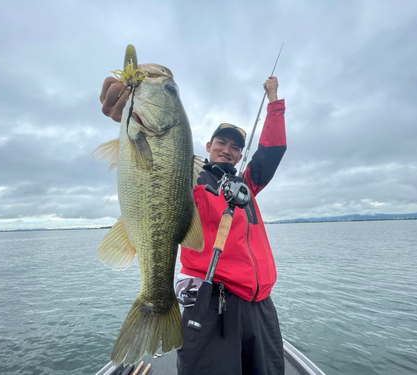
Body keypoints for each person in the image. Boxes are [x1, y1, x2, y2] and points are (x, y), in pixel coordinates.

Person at [100, 74, 286, 375]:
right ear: (208, 145)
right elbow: (160, 166)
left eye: (235, 147)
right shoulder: (194, 177)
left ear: (240, 156)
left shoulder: (247, 184)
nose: (227, 149)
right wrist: (131, 117)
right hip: (213, 306)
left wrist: (274, 100)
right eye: (221, 142)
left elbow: (272, 150)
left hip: (262, 307)